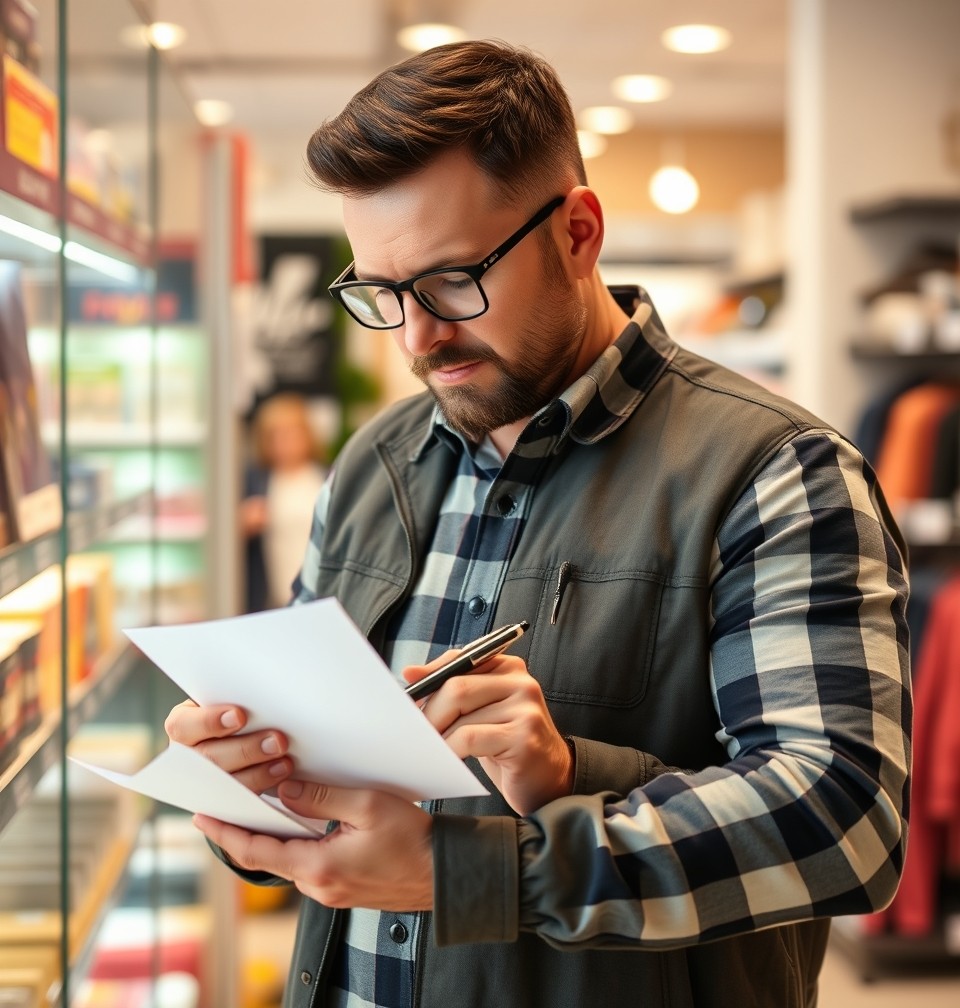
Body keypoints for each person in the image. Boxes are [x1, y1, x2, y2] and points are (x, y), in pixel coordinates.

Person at [165, 40, 911, 1008]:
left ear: (579, 231)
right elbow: (317, 775)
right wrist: (248, 786)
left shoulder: (775, 471)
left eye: (449, 281)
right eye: (382, 294)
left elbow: (841, 820)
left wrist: (472, 865)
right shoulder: (372, 464)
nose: (418, 336)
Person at [239, 392, 327, 612]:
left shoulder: (326, 477)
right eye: (276, 435)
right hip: (271, 601)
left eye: (291, 433)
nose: (284, 442)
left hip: (321, 596)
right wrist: (241, 523)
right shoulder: (254, 482)